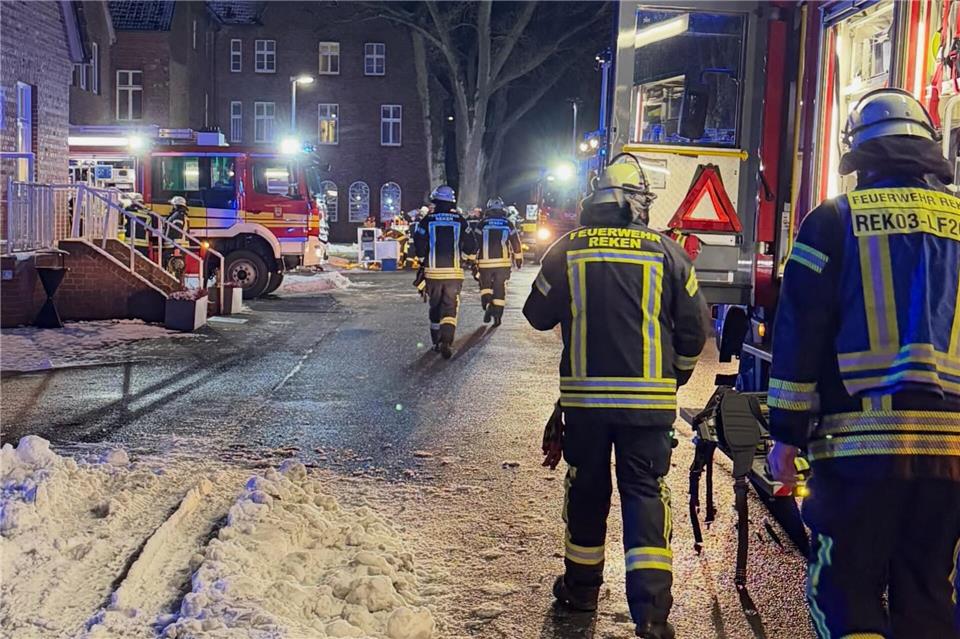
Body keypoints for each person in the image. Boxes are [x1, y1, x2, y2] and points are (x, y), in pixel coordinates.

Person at [766, 88, 960, 639]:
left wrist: (785, 435)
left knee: (845, 588)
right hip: (951, 453)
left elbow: (800, 330)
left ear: (859, 154)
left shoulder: (832, 219)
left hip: (858, 449)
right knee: (928, 594)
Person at [523, 157, 707, 639]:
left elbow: (537, 315)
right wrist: (676, 378)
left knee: (587, 489)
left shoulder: (568, 249)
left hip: (584, 405)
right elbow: (693, 330)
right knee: (645, 494)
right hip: (648, 407)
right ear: (638, 204)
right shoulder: (667, 253)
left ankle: (582, 590)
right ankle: (650, 614)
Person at [413, 185, 476, 358]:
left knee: (435, 307)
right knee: (450, 307)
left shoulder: (427, 219)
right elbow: (472, 244)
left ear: (435, 200)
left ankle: (436, 342)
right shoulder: (460, 220)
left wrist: (420, 259)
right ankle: (447, 341)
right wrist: (468, 258)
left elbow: (418, 241)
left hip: (432, 273)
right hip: (453, 274)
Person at [474, 196, 523, 326]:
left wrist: (471, 260)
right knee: (500, 287)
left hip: (485, 263)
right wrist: (518, 259)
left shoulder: (482, 223)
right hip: (503, 263)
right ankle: (498, 316)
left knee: (485, 287)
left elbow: (475, 243)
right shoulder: (508, 223)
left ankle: (489, 304)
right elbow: (516, 243)